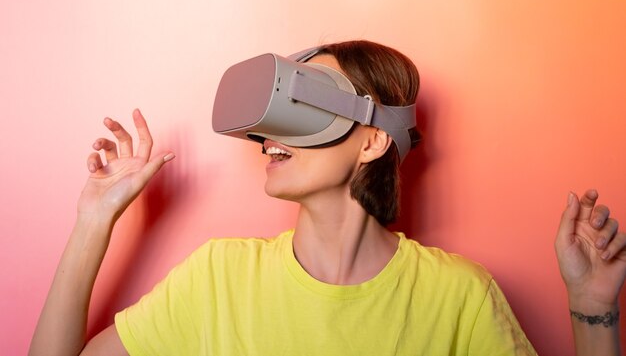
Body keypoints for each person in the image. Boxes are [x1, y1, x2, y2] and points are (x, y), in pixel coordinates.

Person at [30, 41, 626, 356]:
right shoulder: (217, 278)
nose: (268, 138)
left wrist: (593, 308)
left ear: (371, 140)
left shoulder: (459, 297)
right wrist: (94, 220)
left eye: (303, 104)